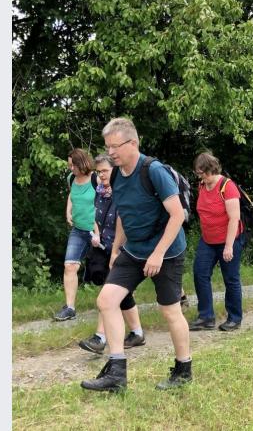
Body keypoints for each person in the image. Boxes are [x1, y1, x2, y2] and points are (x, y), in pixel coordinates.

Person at [81, 117, 192, 392]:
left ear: (133, 143)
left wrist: (157, 253)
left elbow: (178, 215)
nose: (111, 153)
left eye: (115, 146)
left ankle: (183, 370)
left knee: (170, 311)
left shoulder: (153, 171)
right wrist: (117, 248)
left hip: (165, 251)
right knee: (107, 300)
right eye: (108, 147)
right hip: (134, 249)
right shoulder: (117, 174)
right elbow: (124, 214)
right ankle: (116, 373)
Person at [78, 154, 145, 354]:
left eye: (105, 170)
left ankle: (100, 338)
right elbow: (95, 214)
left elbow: (124, 221)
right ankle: (137, 333)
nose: (102, 175)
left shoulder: (122, 191)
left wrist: (116, 250)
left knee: (108, 293)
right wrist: (96, 233)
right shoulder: (100, 191)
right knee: (120, 295)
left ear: (115, 170)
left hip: (123, 248)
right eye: (99, 172)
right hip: (104, 246)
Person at [188, 152, 246, 332]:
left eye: (201, 173)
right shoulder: (202, 186)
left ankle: (234, 318)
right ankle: (206, 317)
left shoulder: (227, 186)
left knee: (231, 278)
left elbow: (234, 218)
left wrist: (228, 246)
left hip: (229, 240)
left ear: (209, 170)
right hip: (208, 240)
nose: (199, 177)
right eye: (198, 174)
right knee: (200, 273)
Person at [54, 148, 96, 321]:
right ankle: (70, 308)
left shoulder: (96, 178)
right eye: (69, 165)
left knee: (114, 267)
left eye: (73, 165)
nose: (70, 168)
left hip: (98, 232)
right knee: (70, 266)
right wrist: (68, 212)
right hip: (78, 230)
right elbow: (71, 195)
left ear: (82, 163)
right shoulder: (71, 178)